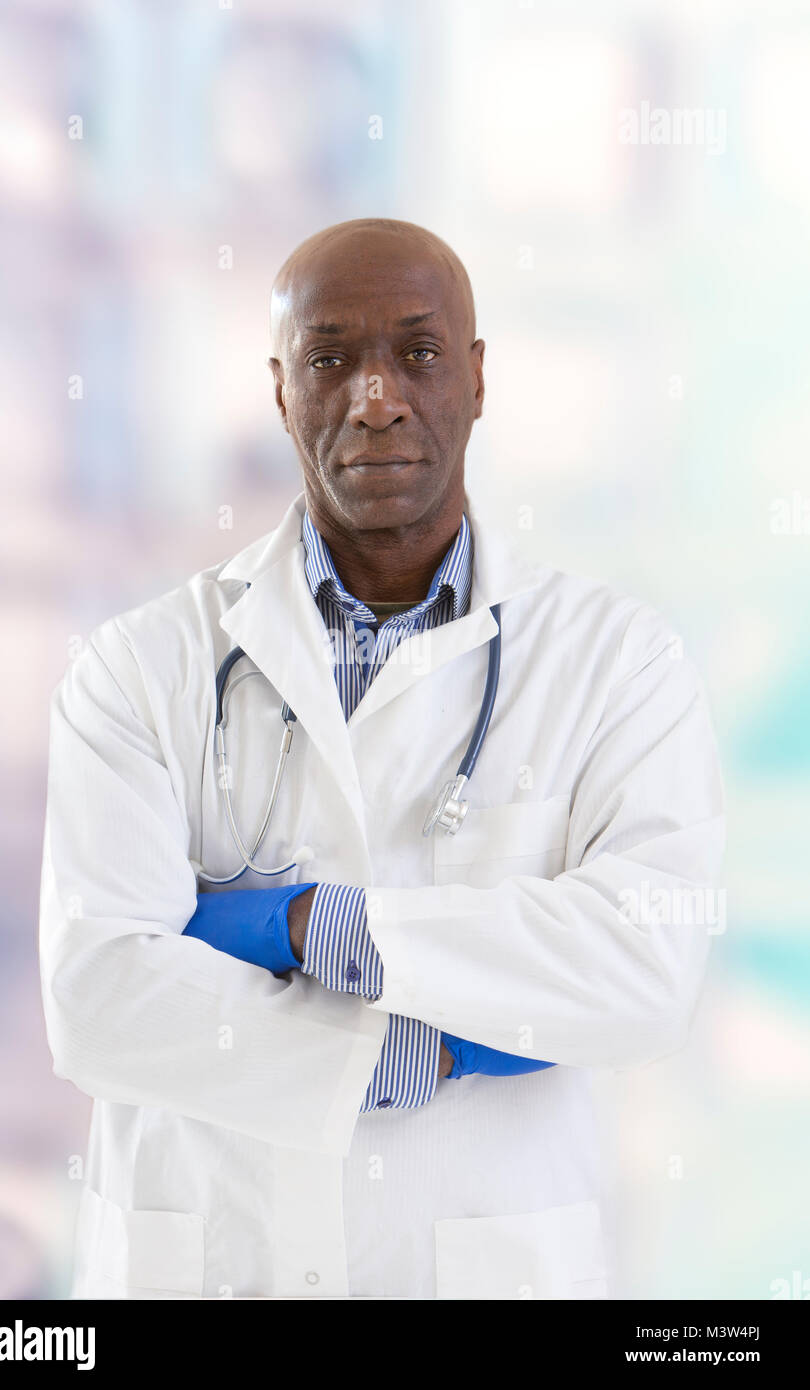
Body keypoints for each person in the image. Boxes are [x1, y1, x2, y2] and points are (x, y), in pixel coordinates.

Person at [38, 218, 726, 1300]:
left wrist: (311, 926)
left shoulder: (618, 663)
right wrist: (427, 1043)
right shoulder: (137, 669)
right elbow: (97, 1000)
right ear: (278, 389)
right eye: (328, 358)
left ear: (478, 375)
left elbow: (644, 967)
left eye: (416, 351)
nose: (373, 397)